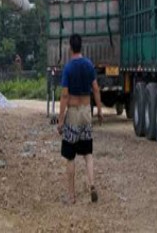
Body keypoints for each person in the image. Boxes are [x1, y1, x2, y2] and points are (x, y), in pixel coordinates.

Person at [57, 34, 104, 205]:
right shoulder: (89, 65)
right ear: (81, 46)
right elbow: (96, 89)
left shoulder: (68, 68)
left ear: (70, 47)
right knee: (88, 153)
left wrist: (60, 119)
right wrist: (99, 110)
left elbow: (64, 95)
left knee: (70, 155)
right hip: (86, 111)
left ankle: (71, 196)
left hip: (73, 114)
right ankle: (92, 184)